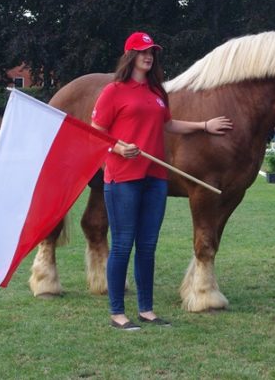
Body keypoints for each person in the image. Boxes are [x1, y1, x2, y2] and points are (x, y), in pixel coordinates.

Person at [91, 31, 233, 331]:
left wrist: (204, 125)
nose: (149, 56)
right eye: (143, 51)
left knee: (147, 245)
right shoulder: (113, 91)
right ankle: (118, 313)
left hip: (155, 177)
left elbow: (168, 124)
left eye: (152, 52)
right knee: (122, 245)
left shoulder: (157, 92)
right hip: (122, 177)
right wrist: (118, 147)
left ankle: (146, 310)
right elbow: (96, 132)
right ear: (130, 55)